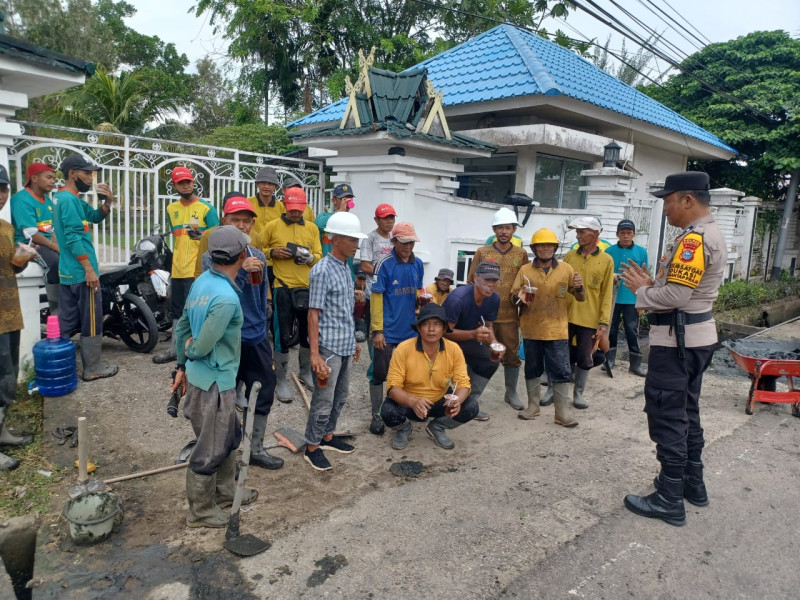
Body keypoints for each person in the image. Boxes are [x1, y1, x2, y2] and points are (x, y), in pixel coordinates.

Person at [620, 172, 725, 527]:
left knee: (667, 413)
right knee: (686, 410)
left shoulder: (694, 240)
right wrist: (653, 285)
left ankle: (669, 498)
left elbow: (677, 297)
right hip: (694, 338)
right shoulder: (705, 233)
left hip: (678, 342)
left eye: (668, 201)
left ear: (687, 200)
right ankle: (691, 483)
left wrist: (643, 292)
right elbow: (683, 291)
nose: (665, 208)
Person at [171, 226, 258, 528]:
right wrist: (189, 352)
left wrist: (181, 365)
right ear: (243, 255)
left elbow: (183, 325)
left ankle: (225, 490)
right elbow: (200, 345)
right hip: (214, 385)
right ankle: (200, 511)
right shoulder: (226, 299)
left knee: (230, 437)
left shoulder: (202, 281)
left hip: (207, 379)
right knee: (209, 450)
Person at [199, 194, 281, 470]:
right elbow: (217, 294)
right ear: (224, 221)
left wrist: (265, 313)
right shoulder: (211, 259)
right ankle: (224, 456)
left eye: (247, 221)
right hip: (227, 339)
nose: (242, 226)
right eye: (236, 220)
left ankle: (254, 448)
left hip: (256, 336)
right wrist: (242, 272)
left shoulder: (258, 255)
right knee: (225, 397)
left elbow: (262, 290)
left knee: (264, 389)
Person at [303, 212, 367, 471]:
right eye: (351, 240)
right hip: (328, 346)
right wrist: (315, 354)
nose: (356, 245)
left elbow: (342, 309)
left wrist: (353, 341)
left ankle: (327, 436)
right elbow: (313, 313)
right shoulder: (321, 270)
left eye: (356, 240)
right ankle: (312, 447)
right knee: (323, 399)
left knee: (340, 396)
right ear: (335, 239)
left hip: (344, 344)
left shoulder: (345, 267)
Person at [53, 155, 118, 381]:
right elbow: (72, 237)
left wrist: (107, 202)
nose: (91, 178)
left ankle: (58, 365)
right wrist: (89, 269)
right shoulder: (69, 200)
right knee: (92, 319)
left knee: (66, 320)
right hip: (82, 274)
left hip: (68, 272)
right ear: (73, 173)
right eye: (87, 173)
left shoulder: (66, 198)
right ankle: (92, 367)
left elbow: (94, 217)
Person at [511, 228, 584, 427]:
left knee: (561, 371)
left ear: (555, 248)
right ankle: (533, 407)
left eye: (549, 245)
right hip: (531, 329)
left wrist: (579, 286)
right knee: (532, 368)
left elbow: (580, 298)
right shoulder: (525, 270)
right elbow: (513, 297)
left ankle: (562, 413)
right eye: (541, 245)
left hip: (557, 330)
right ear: (534, 248)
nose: (545, 249)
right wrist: (519, 296)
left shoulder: (566, 269)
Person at [381, 303, 475, 450]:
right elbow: (392, 388)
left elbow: (463, 383)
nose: (431, 329)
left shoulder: (454, 349)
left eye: (437, 324)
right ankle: (404, 428)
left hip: (440, 401)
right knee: (387, 412)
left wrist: (457, 400)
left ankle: (437, 426)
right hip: (409, 403)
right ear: (419, 328)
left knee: (471, 406)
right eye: (426, 324)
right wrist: (413, 402)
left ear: (444, 328)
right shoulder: (403, 349)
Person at [153, 166, 220, 364]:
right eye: (181, 183)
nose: (185, 186)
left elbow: (217, 237)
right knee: (177, 311)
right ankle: (174, 350)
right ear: (174, 186)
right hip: (178, 269)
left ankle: (199, 350)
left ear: (193, 182)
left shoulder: (207, 208)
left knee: (199, 310)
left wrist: (202, 235)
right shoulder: (171, 209)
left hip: (198, 270)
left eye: (188, 182)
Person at [261, 186, 322, 400]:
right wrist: (273, 252)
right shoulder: (272, 226)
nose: (295, 212)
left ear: (304, 207)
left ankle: (305, 372)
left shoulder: (312, 228)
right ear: (285, 205)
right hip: (282, 286)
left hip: (307, 288)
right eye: (292, 208)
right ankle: (280, 380)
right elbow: (258, 250)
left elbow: (319, 255)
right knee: (282, 335)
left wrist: (310, 258)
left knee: (307, 332)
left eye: (299, 208)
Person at [468, 207, 529, 412]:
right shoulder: (483, 252)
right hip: (483, 316)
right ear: (494, 229)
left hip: (509, 314)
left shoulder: (521, 254)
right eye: (500, 227)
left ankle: (511, 393)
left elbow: (525, 283)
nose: (504, 231)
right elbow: (471, 281)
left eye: (508, 227)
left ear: (514, 230)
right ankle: (471, 397)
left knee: (511, 355)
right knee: (480, 356)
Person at [369, 222, 425, 436]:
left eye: (411, 242)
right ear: (394, 241)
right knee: (379, 373)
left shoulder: (417, 264)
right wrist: (377, 330)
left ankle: (402, 409)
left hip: (410, 331)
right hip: (387, 332)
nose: (408, 246)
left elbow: (418, 292)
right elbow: (376, 298)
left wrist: (421, 303)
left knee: (407, 373)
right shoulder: (384, 264)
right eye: (403, 242)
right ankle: (376, 414)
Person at [0, 165, 38, 471]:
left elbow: (11, 267)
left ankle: (2, 432)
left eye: (3, 189)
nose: (0, 195)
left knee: (7, 377)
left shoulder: (5, 228)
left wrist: (24, 257)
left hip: (9, 314)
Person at [556, 216, 614, 409]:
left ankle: (578, 393)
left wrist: (603, 322)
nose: (578, 235)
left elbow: (606, 294)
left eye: (582, 232)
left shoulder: (606, 260)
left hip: (590, 318)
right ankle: (554, 391)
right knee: (560, 355)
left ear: (595, 233)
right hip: (566, 315)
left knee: (585, 357)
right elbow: (561, 284)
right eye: (577, 232)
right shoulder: (570, 256)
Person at [443, 260, 505, 421]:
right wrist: (472, 334)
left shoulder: (494, 298)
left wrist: (494, 344)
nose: (490, 284)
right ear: (476, 278)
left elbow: (488, 325)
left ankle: (468, 403)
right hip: (445, 343)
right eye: (487, 279)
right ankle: (441, 404)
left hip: (470, 340)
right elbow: (444, 332)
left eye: (494, 280)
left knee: (490, 361)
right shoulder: (458, 298)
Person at [359, 202, 397, 434]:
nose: (389, 221)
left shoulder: (396, 237)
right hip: (375, 295)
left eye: (392, 217)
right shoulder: (370, 239)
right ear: (376, 220)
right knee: (378, 351)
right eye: (385, 218)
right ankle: (376, 411)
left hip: (394, 297)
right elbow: (365, 265)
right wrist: (386, 272)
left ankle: (395, 401)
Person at [247, 168, 314, 287]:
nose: (266, 186)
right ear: (257, 184)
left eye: (270, 184)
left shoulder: (282, 207)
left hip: (277, 264)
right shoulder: (248, 204)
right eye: (263, 183)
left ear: (276, 187)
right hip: (252, 257)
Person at [10, 162, 60, 315]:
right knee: (54, 262)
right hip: (29, 244)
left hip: (47, 243)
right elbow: (31, 233)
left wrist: (58, 246)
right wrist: (54, 247)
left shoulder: (47, 200)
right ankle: (56, 310)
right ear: (35, 178)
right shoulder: (21, 200)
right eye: (49, 177)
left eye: (54, 178)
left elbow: (51, 228)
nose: (53, 181)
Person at [604, 219, 649, 377]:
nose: (625, 236)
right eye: (622, 233)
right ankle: (609, 359)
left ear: (633, 234)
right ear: (617, 234)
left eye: (629, 233)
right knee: (611, 329)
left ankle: (635, 364)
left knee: (632, 330)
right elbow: (604, 274)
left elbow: (644, 277)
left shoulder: (641, 252)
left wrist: (643, 302)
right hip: (612, 298)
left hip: (632, 299)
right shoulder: (609, 252)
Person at [315, 183, 355, 264]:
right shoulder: (324, 216)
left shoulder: (352, 220)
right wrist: (340, 212)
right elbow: (318, 224)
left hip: (346, 265)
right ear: (334, 200)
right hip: (328, 265)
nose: (347, 201)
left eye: (350, 198)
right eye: (343, 199)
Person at [353, 271, 369, 342]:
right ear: (356, 279)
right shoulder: (351, 291)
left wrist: (362, 304)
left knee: (362, 336)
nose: (362, 282)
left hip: (363, 323)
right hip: (353, 321)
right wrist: (358, 304)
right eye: (360, 280)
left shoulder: (368, 292)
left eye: (363, 281)